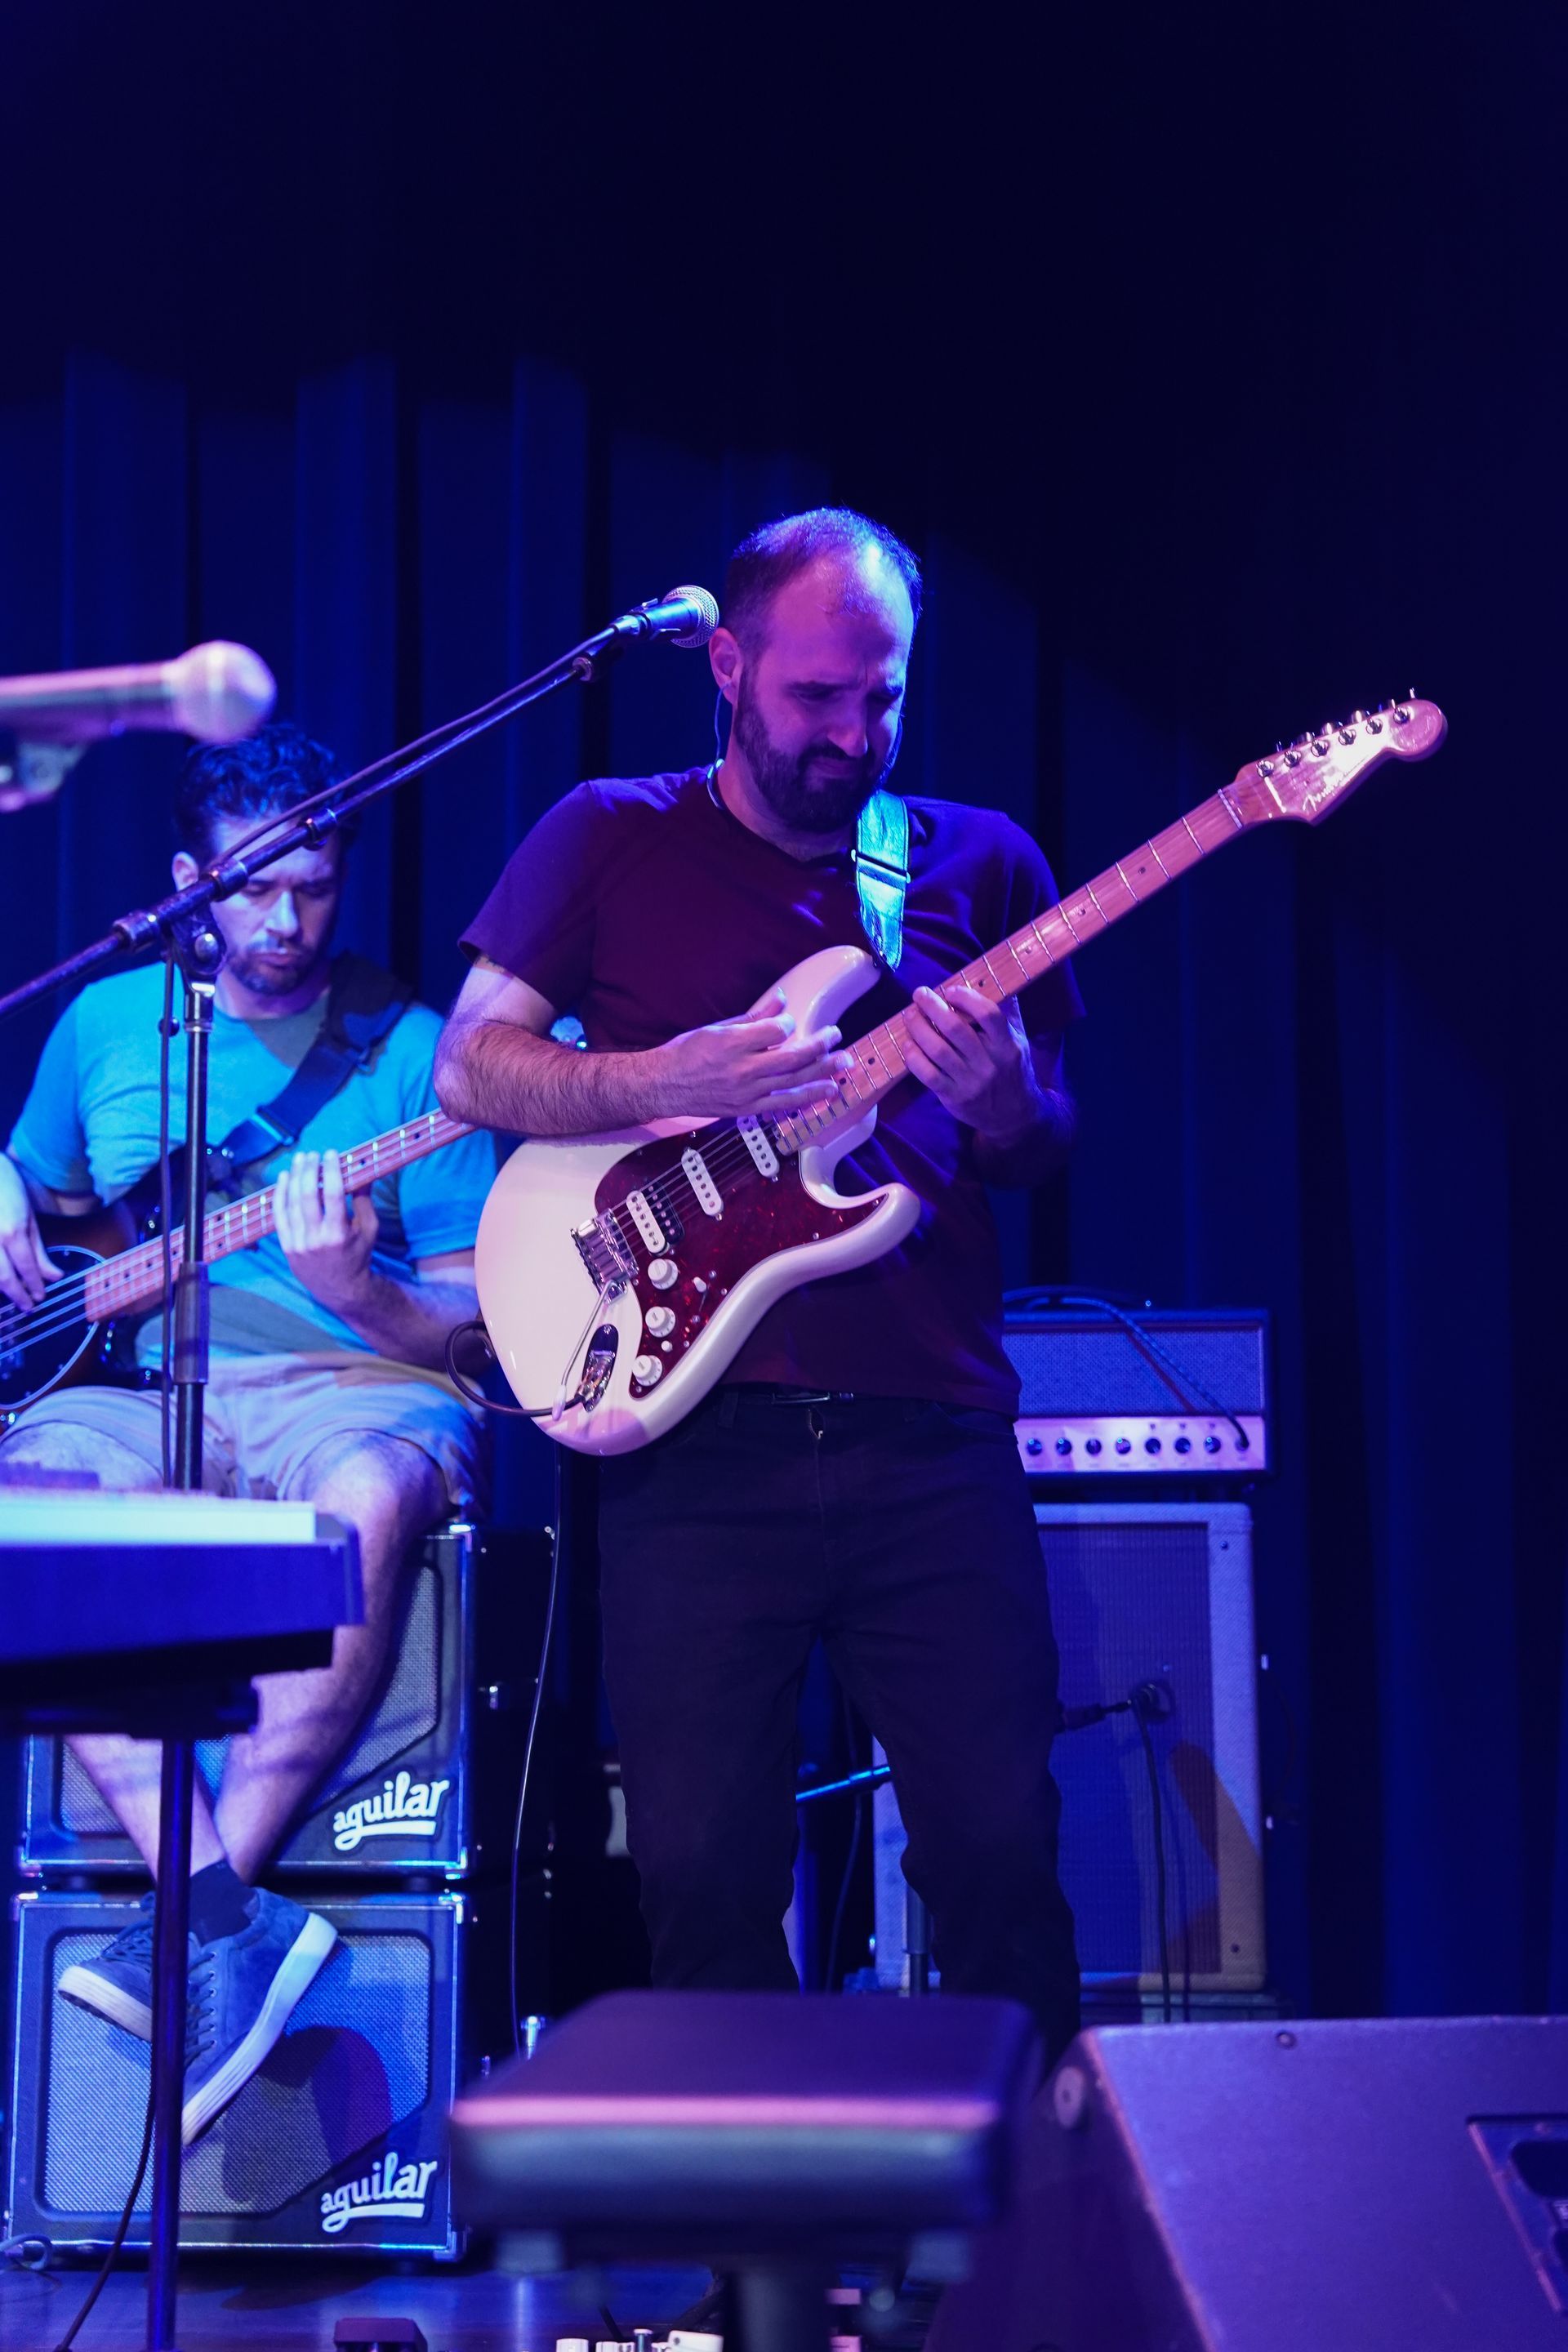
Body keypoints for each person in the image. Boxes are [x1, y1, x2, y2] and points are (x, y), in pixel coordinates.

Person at [435, 506, 1084, 2061]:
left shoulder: (978, 864)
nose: (854, 733)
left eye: (886, 697)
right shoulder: (608, 831)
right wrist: (663, 1075)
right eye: (817, 698)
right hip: (694, 1447)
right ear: (726, 666)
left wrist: (997, 1101)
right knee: (707, 1883)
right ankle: (766, 2281)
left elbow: (1044, 1143)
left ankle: (1037, 2274)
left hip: (930, 1438)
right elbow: (471, 1066)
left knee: (1000, 1859)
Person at [0, 723, 497, 2143]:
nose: (286, 920)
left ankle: (191, 1918)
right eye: (253, 887)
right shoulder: (106, 1025)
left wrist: (364, 1285)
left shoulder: (421, 1059)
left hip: (355, 1387)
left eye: (315, 887)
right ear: (187, 883)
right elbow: (39, 1182)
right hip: (143, 1388)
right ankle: (225, 1917)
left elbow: (479, 1332)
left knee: (362, 1502)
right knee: (29, 1509)